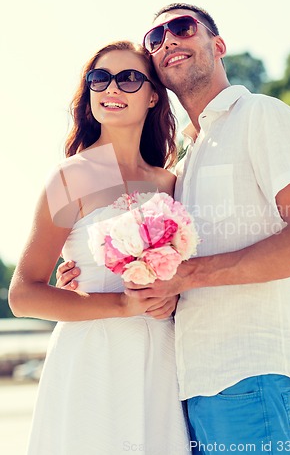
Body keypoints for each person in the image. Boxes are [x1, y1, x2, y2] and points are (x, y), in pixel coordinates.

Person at [57, 5, 290, 455]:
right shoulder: (184, 162)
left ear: (218, 46)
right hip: (189, 385)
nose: (168, 40)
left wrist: (186, 276)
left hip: (254, 374)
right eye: (155, 37)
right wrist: (86, 275)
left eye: (182, 27)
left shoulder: (260, 115)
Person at [9, 40, 190, 455]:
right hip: (90, 357)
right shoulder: (70, 177)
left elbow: (187, 272)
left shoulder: (170, 184)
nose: (111, 88)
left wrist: (175, 296)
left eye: (128, 79)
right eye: (99, 78)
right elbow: (23, 294)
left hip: (160, 358)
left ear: (152, 96)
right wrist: (122, 306)